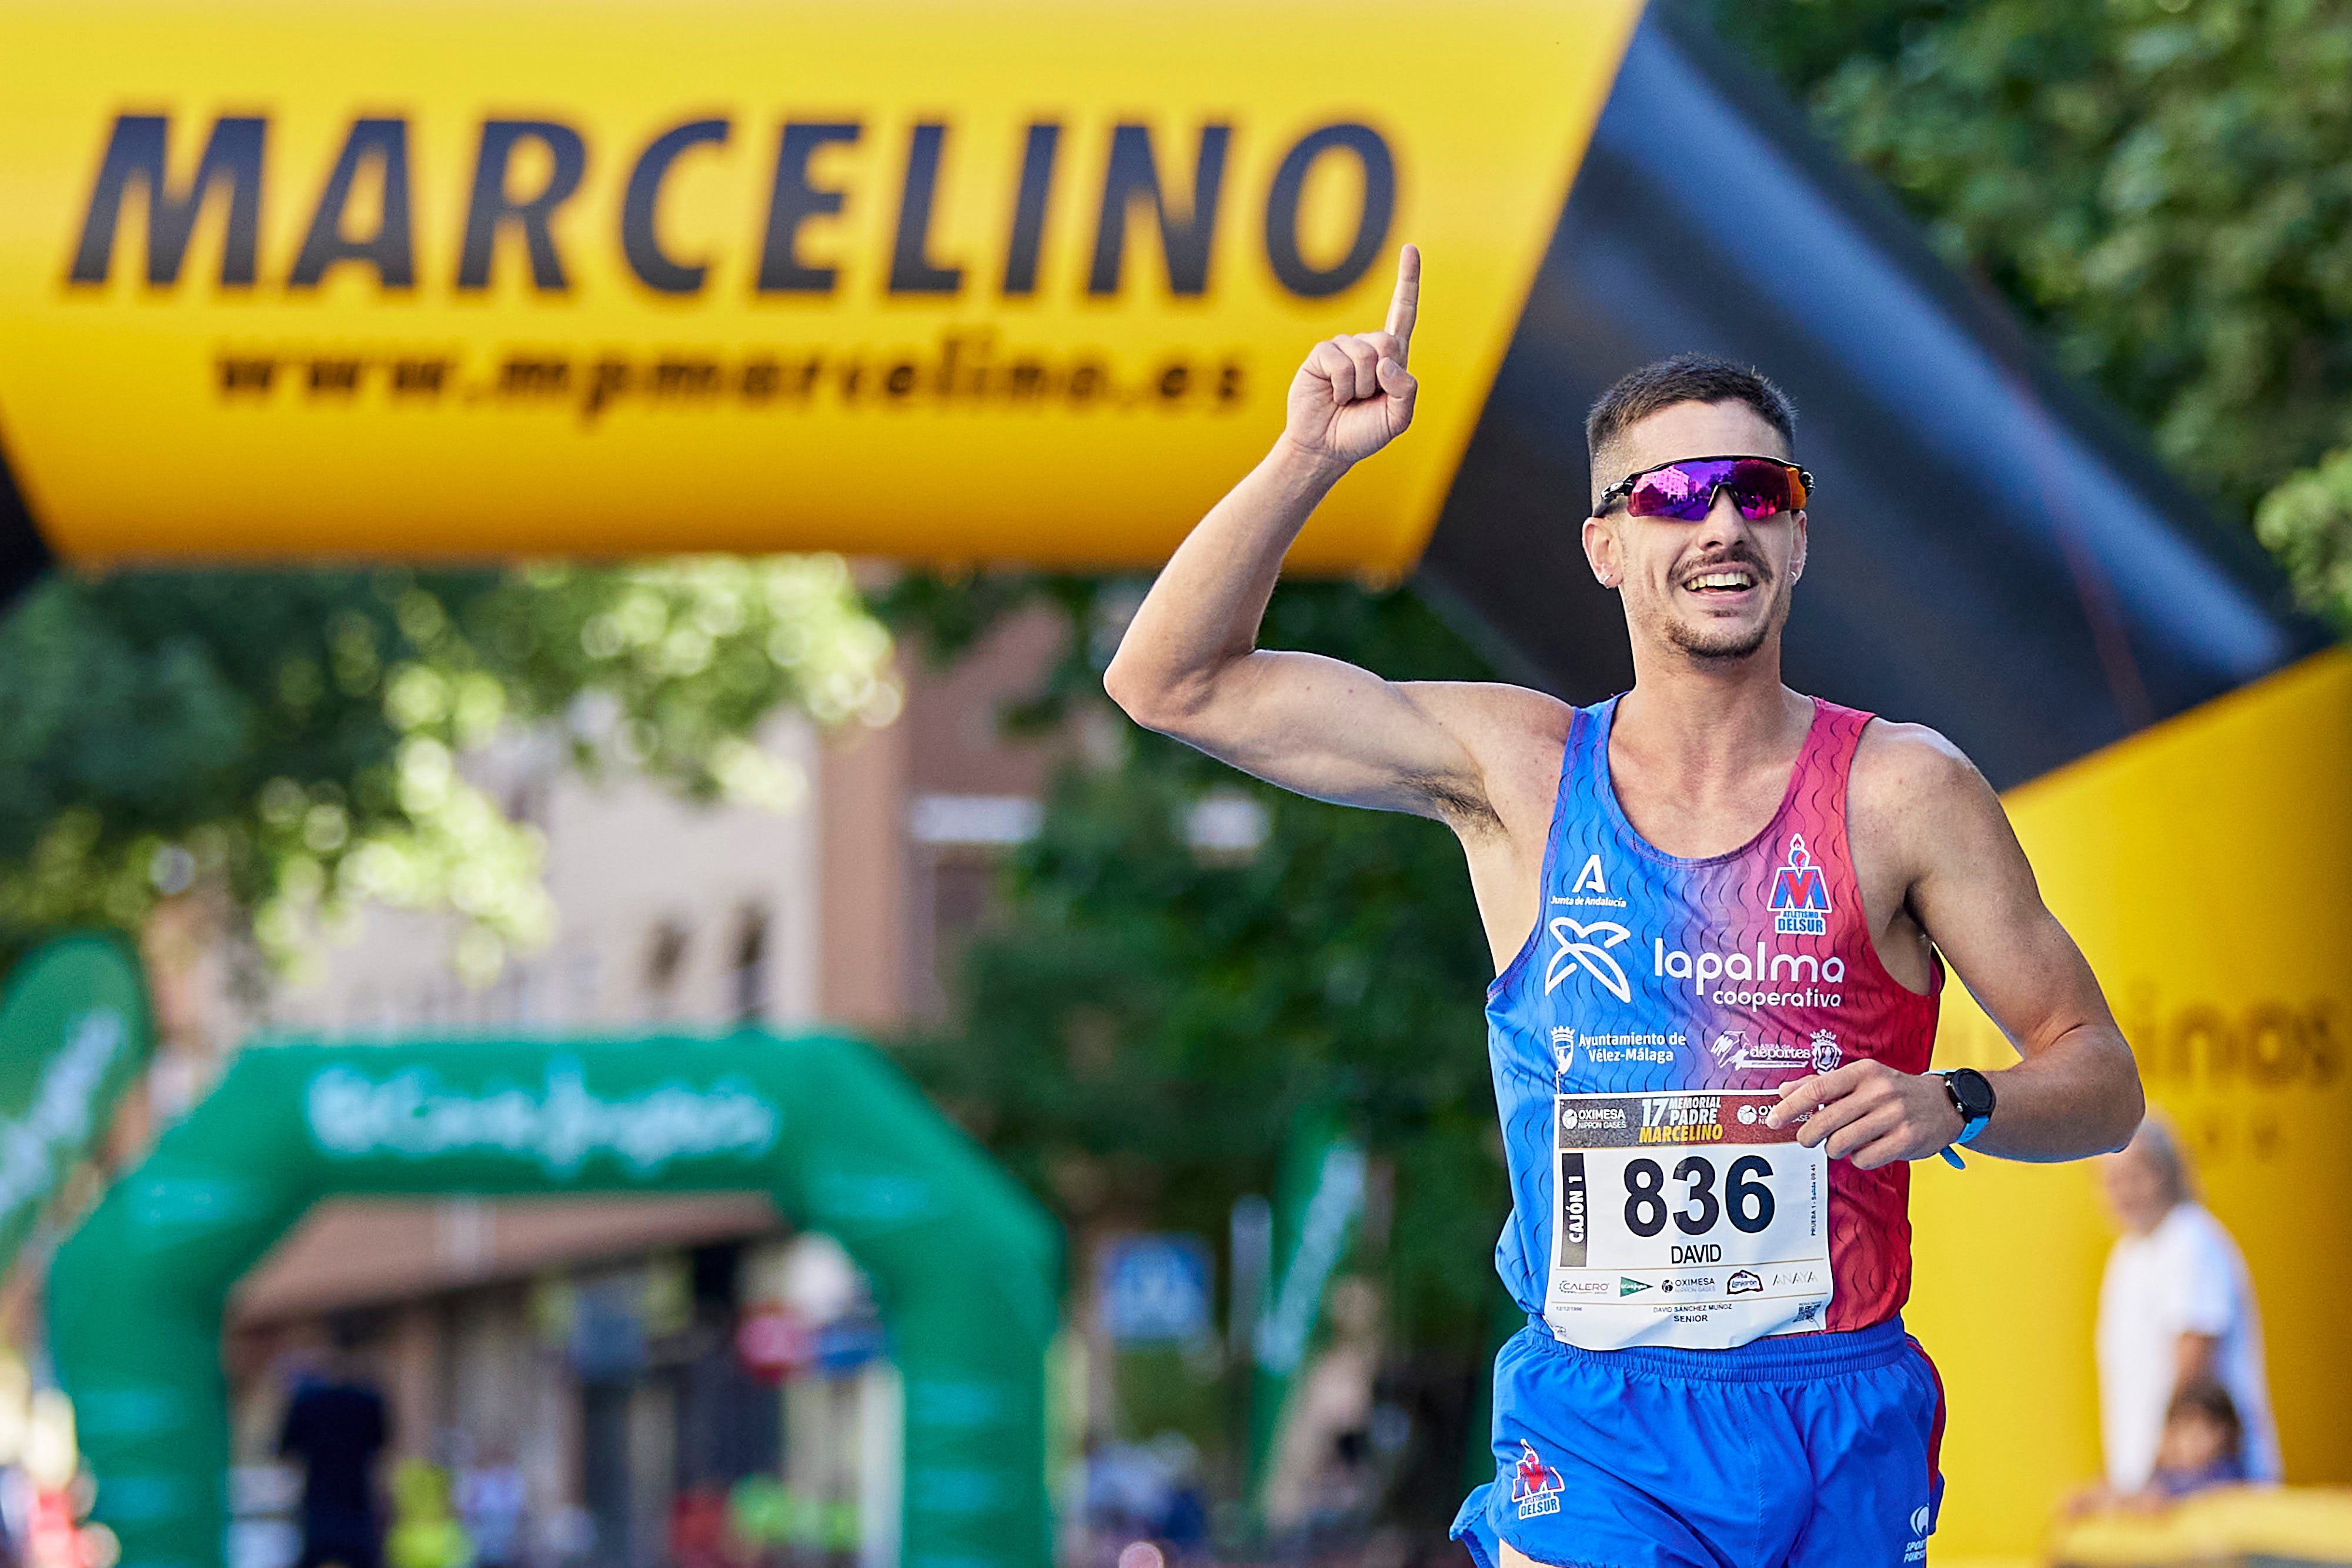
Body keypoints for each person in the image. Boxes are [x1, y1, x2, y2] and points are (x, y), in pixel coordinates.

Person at [1102, 246, 2145, 1567]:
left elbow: (2099, 1076)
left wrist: (1957, 1101)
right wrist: (1309, 453)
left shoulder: (1901, 792)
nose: (1719, 525)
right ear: (1603, 546)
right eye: (1672, 495)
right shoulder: (1519, 770)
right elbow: (1169, 681)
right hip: (1597, 1425)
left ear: (1797, 533)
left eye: (1756, 491)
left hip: (1836, 1410)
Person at [2096, 1116, 2278, 1493]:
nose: (2123, 1191)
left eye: (2135, 1175)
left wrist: (2166, 1472)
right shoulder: (2128, 1256)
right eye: (2112, 1180)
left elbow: (2195, 1365)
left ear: (2166, 1172)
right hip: (2157, 1486)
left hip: (2205, 1482)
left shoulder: (2190, 1240)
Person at [278, 1323, 392, 1568]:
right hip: (357, 1505)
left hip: (319, 1506)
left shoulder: (308, 1400)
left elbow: (284, 1449)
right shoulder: (368, 1400)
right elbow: (383, 1449)